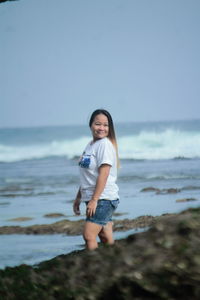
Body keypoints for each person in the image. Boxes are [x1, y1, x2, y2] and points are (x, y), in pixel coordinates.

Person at [73, 109, 120, 250]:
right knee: (105, 237)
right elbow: (87, 176)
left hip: (103, 199)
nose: (102, 128)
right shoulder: (90, 145)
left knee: (88, 235)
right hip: (95, 198)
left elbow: (104, 174)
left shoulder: (104, 145)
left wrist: (94, 200)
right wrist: (78, 198)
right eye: (98, 124)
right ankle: (115, 264)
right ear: (91, 125)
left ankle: (93, 267)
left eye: (105, 125)